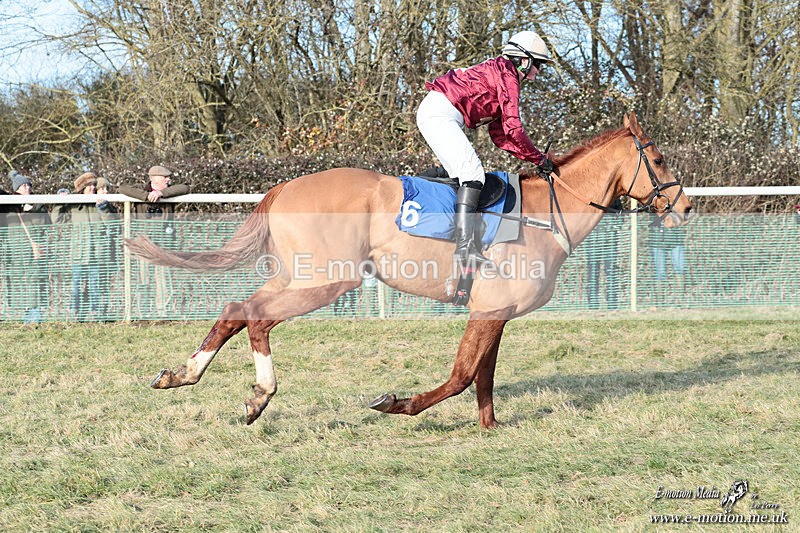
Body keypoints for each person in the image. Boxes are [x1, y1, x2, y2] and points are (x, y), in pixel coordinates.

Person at [416, 30, 556, 267]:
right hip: (440, 114)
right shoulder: (508, 76)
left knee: (462, 176)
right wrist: (540, 159)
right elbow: (513, 129)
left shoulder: (502, 73)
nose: (538, 72)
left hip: (438, 112)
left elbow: (500, 135)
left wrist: (535, 159)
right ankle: (464, 249)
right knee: (472, 175)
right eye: (538, 64)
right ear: (524, 60)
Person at [119, 165, 189, 317]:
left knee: (162, 277)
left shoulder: (168, 192)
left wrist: (160, 193)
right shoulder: (141, 190)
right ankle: (142, 311)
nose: (169, 180)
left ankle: (163, 312)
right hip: (144, 243)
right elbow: (122, 188)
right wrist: (146, 196)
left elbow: (184, 188)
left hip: (163, 243)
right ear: (155, 179)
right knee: (143, 278)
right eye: (165, 178)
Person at [55, 172, 118, 320]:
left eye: (93, 185)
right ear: (82, 188)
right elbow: (57, 219)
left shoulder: (102, 203)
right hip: (78, 252)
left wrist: (103, 209)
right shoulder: (75, 206)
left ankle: (96, 313)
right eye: (88, 185)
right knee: (76, 284)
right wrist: (60, 202)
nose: (92, 188)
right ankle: (75, 313)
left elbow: (112, 224)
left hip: (96, 253)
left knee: (95, 285)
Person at [1, 171, 52, 322]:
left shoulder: (38, 204)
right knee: (18, 281)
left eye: (28, 185)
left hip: (34, 251)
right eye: (23, 185)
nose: (27, 188)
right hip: (15, 251)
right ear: (16, 189)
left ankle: (35, 312)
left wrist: (34, 209)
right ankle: (25, 312)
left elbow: (46, 225)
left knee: (35, 280)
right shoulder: (8, 205)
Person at [585, 199, 624, 310]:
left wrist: (614, 226)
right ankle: (593, 305)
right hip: (593, 240)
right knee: (593, 272)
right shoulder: (590, 197)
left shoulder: (614, 199)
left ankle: (612, 304)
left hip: (610, 240)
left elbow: (620, 216)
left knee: (611, 271)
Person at [649, 214, 687, 302]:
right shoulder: (653, 202)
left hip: (676, 240)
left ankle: (680, 301)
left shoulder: (677, 201)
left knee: (680, 269)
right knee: (660, 272)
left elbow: (688, 213)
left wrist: (678, 221)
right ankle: (660, 302)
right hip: (657, 240)